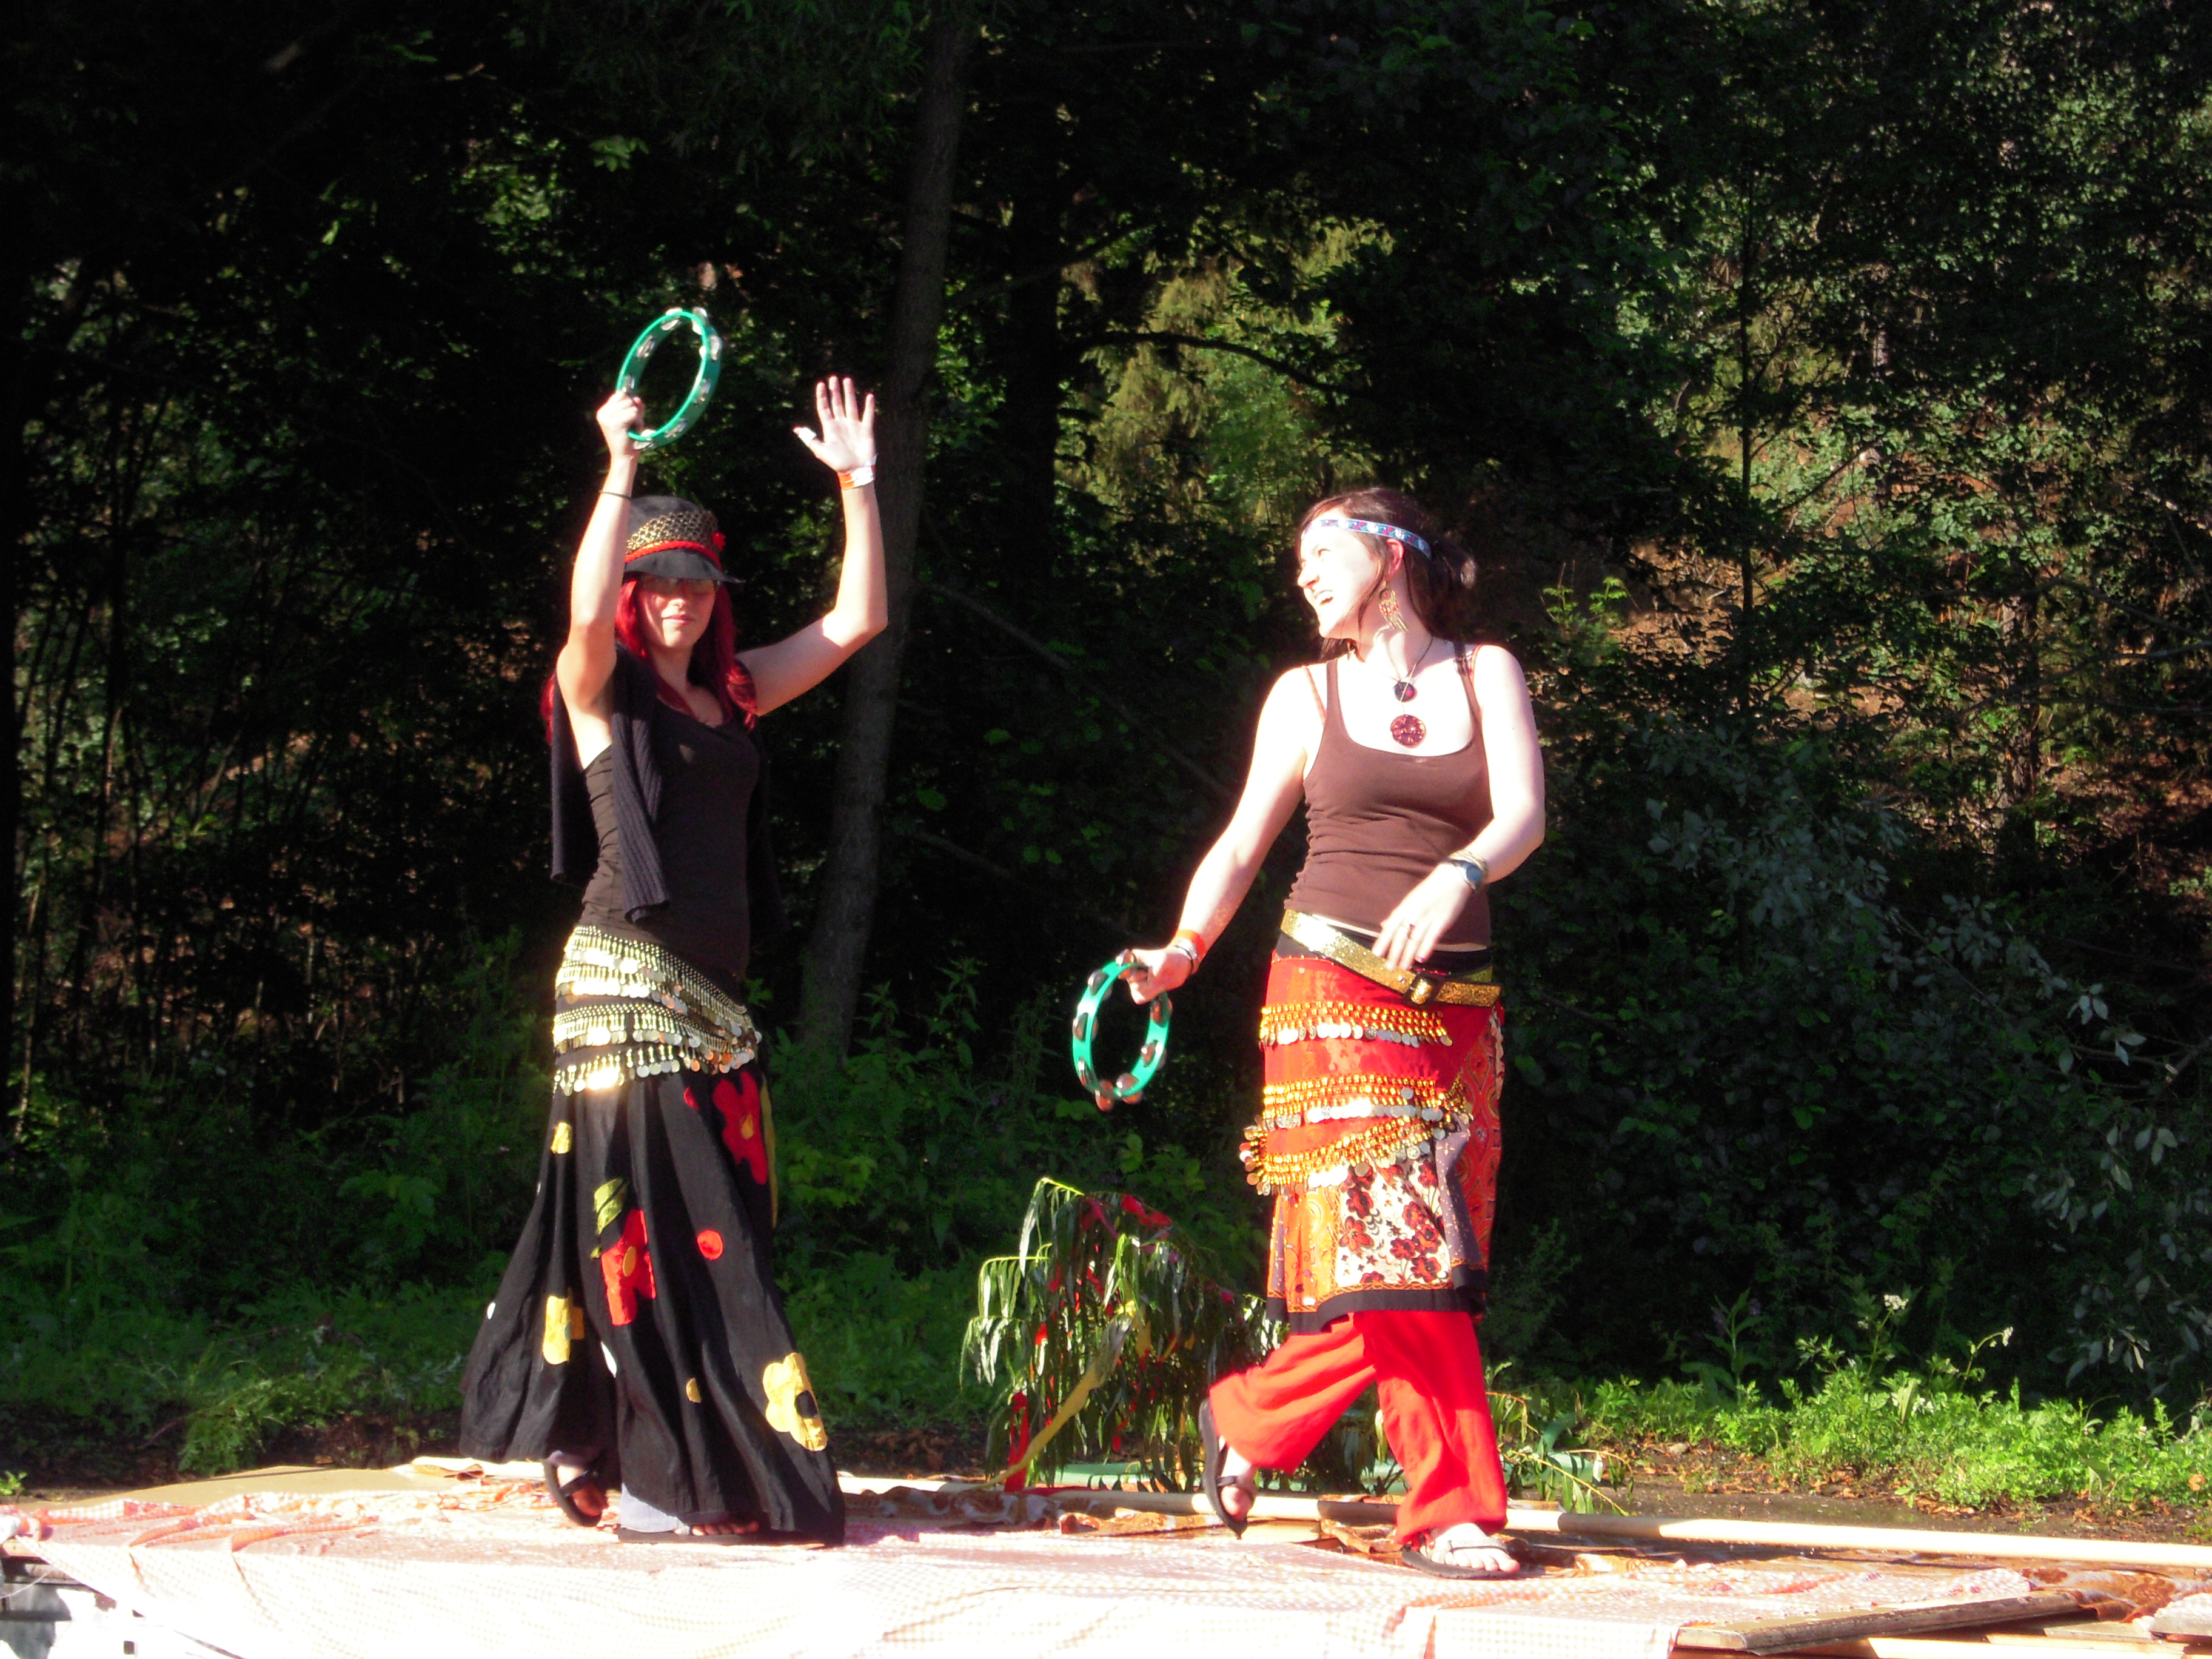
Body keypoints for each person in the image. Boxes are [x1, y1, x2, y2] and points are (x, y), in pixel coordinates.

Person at [458, 377, 886, 1544]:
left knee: (708, 1224)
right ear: (635, 596)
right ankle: (662, 1472)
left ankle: (602, 1440)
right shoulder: (603, 694)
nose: (680, 601)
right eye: (660, 584)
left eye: (698, 582)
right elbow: (581, 616)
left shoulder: (733, 697)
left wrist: (858, 483)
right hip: (624, 989)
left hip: (718, 1008)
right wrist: (619, 467)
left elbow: (857, 621)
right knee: (651, 1231)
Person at [1122, 488, 1545, 1578]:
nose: (1303, 575)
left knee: (1426, 1265)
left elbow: (1523, 818)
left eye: (1322, 553)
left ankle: (1250, 1415)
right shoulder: (1305, 694)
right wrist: (1184, 948)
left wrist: (1459, 874)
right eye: (1298, 560)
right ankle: (1452, 1507)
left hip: (1458, 1007)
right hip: (1333, 990)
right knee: (1406, 1249)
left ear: (1390, 556)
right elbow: (1240, 844)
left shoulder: (1485, 671)